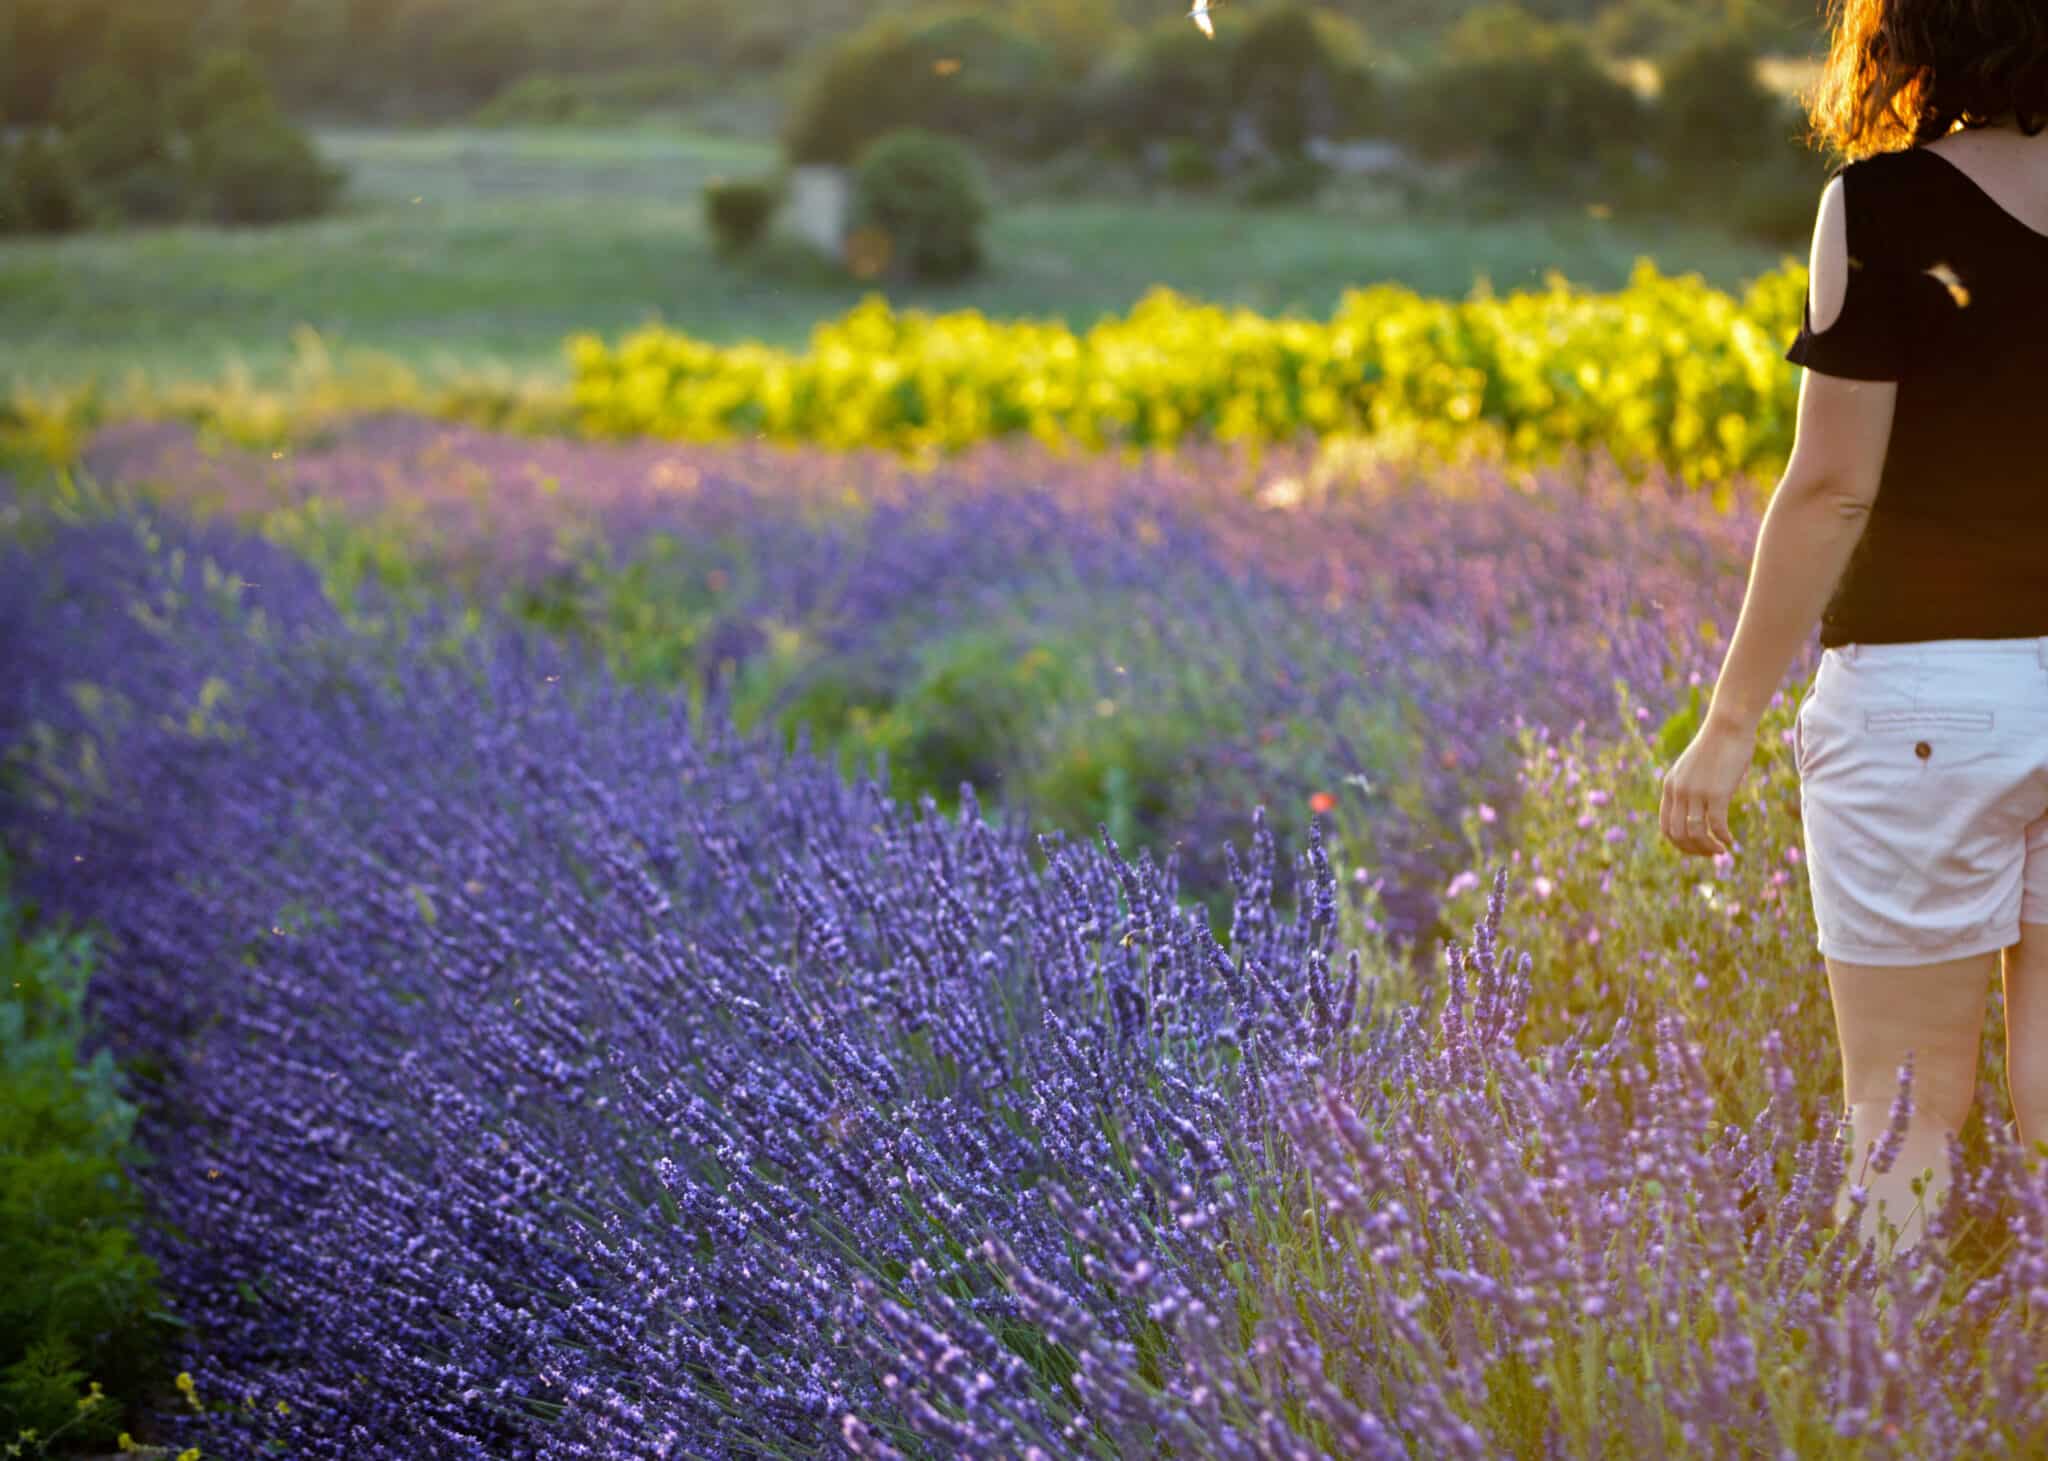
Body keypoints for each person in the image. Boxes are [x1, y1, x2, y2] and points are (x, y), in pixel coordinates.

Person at [1657, 0, 2048, 1261]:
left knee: (1899, 1120)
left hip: (1923, 699)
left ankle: (1886, 1403)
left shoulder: (1879, 208)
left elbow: (1830, 486)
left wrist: (1724, 725)